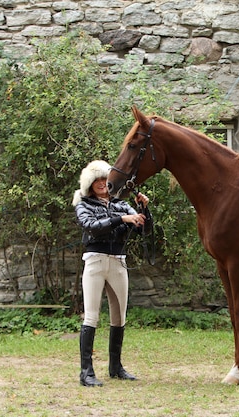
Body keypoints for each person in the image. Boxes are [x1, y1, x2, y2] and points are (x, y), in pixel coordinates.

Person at [72, 160, 150, 387]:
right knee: (91, 315)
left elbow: (144, 229)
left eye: (104, 179)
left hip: (118, 261)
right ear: (89, 183)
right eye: (96, 180)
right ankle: (86, 372)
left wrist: (143, 209)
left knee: (119, 317)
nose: (101, 183)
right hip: (95, 260)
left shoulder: (122, 204)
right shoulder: (83, 204)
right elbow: (92, 227)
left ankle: (115, 367)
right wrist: (121, 219)